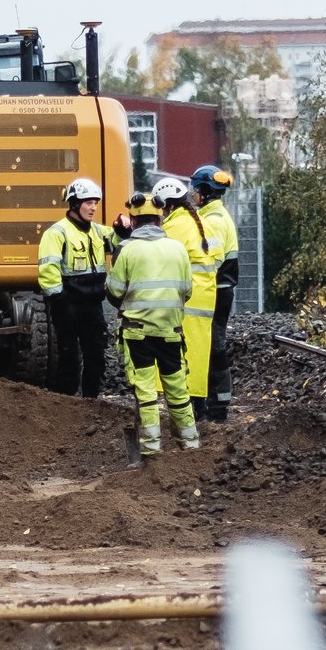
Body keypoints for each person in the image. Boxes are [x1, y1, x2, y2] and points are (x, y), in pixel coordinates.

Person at [105, 190, 198, 457]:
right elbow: (187, 291)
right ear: (159, 219)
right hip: (171, 332)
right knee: (178, 391)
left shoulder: (126, 250)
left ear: (133, 221)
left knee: (146, 393)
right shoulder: (178, 249)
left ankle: (151, 450)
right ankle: (191, 447)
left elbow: (114, 293)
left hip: (138, 335)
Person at [34, 175, 114, 398]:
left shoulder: (98, 231)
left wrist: (122, 228)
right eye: (89, 203)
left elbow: (118, 240)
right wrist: (59, 300)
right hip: (68, 304)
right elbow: (48, 269)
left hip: (93, 304)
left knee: (96, 355)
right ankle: (65, 403)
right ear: (75, 204)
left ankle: (91, 400)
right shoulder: (57, 233)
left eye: (95, 203)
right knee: (68, 356)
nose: (94, 208)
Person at [153, 175, 219, 423]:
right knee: (198, 351)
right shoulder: (200, 222)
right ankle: (198, 406)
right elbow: (217, 255)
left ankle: (185, 409)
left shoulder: (174, 227)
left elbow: (156, 257)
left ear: (167, 204)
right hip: (205, 297)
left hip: (185, 298)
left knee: (177, 351)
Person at [189, 163, 241, 421]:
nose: (193, 194)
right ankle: (214, 403)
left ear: (206, 192)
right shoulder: (214, 216)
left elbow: (210, 260)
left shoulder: (213, 221)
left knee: (212, 345)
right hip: (219, 289)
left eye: (196, 189)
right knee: (211, 344)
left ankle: (217, 406)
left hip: (215, 291)